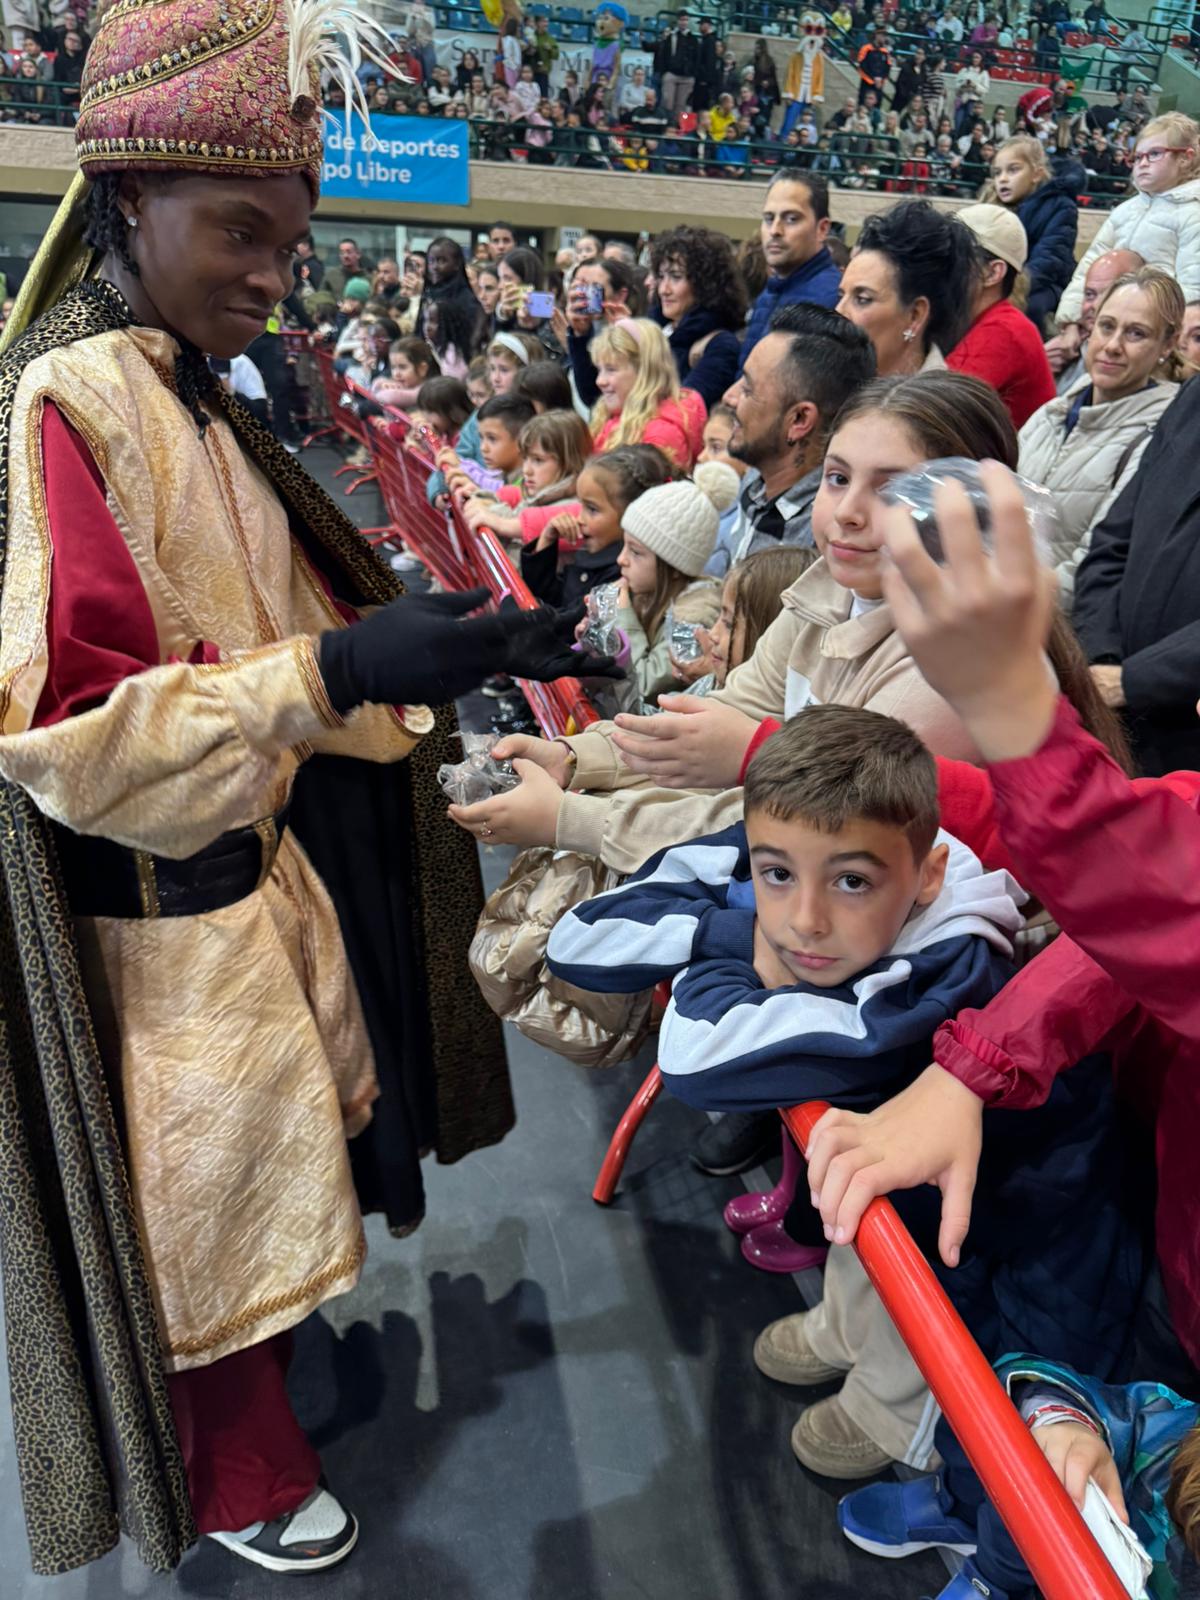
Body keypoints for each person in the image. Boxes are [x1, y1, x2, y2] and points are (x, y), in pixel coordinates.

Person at [0, 0, 624, 1577]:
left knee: (263, 1203)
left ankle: (263, 1404)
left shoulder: (191, 387)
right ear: (129, 202)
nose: (275, 276)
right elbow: (69, 744)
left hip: (249, 901)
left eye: (291, 239)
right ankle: (238, 1480)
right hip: (157, 942)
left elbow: (283, 646)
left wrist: (466, 645)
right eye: (241, 232)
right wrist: (336, 676)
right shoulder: (70, 403)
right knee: (195, 1236)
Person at [545, 703, 1140, 1490]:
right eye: (775, 874)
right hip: (886, 1170)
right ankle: (842, 1334)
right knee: (860, 1241)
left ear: (926, 878)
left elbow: (694, 1053)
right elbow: (580, 935)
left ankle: (901, 1429)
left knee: (939, 1315)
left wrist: (731, 932)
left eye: (852, 882)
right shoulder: (825, 838)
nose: (805, 922)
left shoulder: (938, 977)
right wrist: (738, 934)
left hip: (1017, 1208)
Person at [1019, 267, 1183, 601]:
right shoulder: (1049, 415)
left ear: (1167, 345)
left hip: (1057, 627)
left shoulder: (1160, 438)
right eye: (1106, 327)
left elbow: (1094, 565)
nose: (1112, 346)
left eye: (1136, 334)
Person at [709, 303, 876, 577]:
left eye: (748, 388)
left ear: (799, 420)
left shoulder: (822, 541)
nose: (729, 396)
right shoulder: (755, 480)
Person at [1056, 113, 1200, 325]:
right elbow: (1088, 268)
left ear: (1185, 158)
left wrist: (1163, 334)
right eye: (1137, 156)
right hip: (1101, 321)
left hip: (1151, 329)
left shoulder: (1193, 215)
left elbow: (1192, 288)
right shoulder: (1124, 211)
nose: (1142, 163)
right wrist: (1070, 320)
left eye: (1154, 154)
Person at [947, 203, 1057, 429]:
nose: (941, 265)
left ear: (993, 272)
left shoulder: (1005, 330)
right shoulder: (976, 319)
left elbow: (932, 408)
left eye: (955, 255)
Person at [836, 198, 976, 375]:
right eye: (841, 296)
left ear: (915, 315)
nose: (838, 312)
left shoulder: (939, 402)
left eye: (862, 299)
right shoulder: (830, 384)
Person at [738, 174, 842, 369]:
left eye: (791, 219)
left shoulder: (831, 301)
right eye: (769, 219)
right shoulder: (769, 293)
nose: (775, 230)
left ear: (822, 229)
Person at [588, 318, 707, 469]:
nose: (600, 381)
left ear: (644, 372)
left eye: (611, 369)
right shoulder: (611, 416)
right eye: (599, 370)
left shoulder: (661, 436)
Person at [990, 134, 1079, 332]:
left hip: (1047, 284)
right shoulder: (992, 206)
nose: (1002, 178)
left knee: (1031, 308)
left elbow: (1050, 259)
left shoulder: (1061, 205)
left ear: (1036, 174)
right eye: (997, 173)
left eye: (1013, 170)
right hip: (1003, 282)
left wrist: (1012, 288)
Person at [463, 407, 592, 543]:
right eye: (525, 458)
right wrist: (480, 499)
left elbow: (517, 522)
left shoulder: (572, 507)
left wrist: (487, 509)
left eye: (538, 460)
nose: (526, 470)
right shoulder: (539, 495)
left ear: (569, 461)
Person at [1045, 246, 1145, 393]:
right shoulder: (1064, 348)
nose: (1096, 305)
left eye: (1108, 293)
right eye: (1090, 294)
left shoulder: (1133, 363)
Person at [658, 9, 699, 126]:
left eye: (686, 20)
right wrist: (664, 72)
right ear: (677, 21)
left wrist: (693, 74)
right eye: (681, 20)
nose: (684, 22)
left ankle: (676, 127)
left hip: (687, 76)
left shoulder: (693, 39)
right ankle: (664, 125)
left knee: (680, 106)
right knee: (667, 102)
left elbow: (697, 57)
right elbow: (664, 55)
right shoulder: (671, 37)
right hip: (671, 73)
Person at [856, 27, 892, 106]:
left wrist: (881, 80)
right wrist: (873, 79)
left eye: (885, 36)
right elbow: (862, 66)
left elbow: (888, 67)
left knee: (876, 108)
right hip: (866, 83)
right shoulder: (866, 48)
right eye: (882, 35)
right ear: (876, 35)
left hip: (879, 85)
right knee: (862, 105)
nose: (884, 37)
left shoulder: (885, 51)